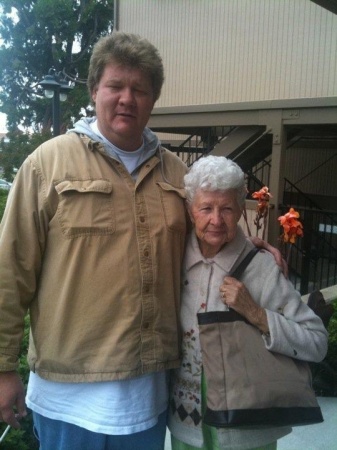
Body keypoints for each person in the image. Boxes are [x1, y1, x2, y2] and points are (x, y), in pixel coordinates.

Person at [0, 32, 282, 450]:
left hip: (148, 402)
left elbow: (205, 237)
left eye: (140, 89)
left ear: (153, 100)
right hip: (67, 400)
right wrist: (4, 368)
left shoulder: (175, 174)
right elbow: (10, 269)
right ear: (95, 90)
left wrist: (248, 247)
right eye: (115, 86)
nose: (127, 98)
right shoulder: (47, 165)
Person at [168, 155, 328, 450]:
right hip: (187, 426)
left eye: (227, 208)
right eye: (206, 208)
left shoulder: (261, 269)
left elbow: (316, 342)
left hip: (249, 430)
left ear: (241, 210)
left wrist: (255, 313)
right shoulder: (173, 259)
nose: (216, 219)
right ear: (191, 212)